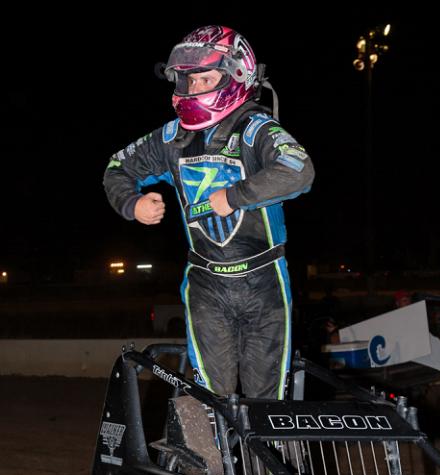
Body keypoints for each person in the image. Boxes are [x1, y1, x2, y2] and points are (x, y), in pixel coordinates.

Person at [104, 25, 315, 398]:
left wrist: (235, 196)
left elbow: (299, 171)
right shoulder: (171, 138)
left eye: (205, 78)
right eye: (189, 81)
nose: (195, 89)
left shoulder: (256, 129)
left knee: (268, 407)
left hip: (265, 283)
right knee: (206, 402)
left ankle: (268, 456)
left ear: (237, 75)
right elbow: (117, 168)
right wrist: (131, 203)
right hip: (205, 283)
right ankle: (201, 458)